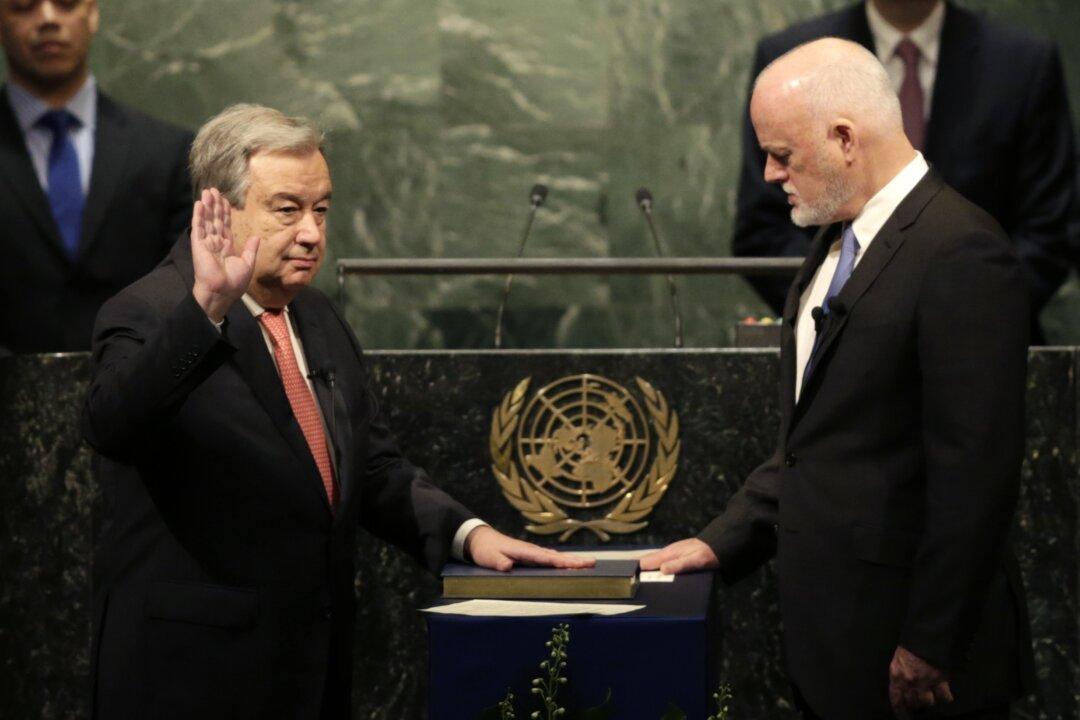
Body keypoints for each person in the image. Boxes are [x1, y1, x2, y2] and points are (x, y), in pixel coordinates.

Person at [82, 103, 593, 720]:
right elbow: (111, 425)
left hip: (309, 675)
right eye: (287, 210)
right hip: (190, 679)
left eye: (321, 210)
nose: (312, 233)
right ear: (218, 207)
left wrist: (470, 536)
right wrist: (205, 311)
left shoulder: (317, 317)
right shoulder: (152, 312)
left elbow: (372, 469)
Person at [642, 39, 1033, 720]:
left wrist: (929, 642)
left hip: (915, 663)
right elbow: (816, 439)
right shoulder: (831, 242)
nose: (767, 174)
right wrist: (719, 541)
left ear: (845, 139)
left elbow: (976, 473)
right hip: (834, 649)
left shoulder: (961, 249)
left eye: (782, 154)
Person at [732, 0, 1075, 344]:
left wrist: (960, 313)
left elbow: (1050, 230)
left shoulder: (1021, 63)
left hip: (985, 342)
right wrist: (852, 313)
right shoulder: (790, 63)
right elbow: (763, 228)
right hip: (835, 348)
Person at [0, 0, 192, 353]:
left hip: (143, 391)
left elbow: (187, 296)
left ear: (92, 13)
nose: (47, 19)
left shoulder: (168, 153)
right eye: (23, 5)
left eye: (66, 3)